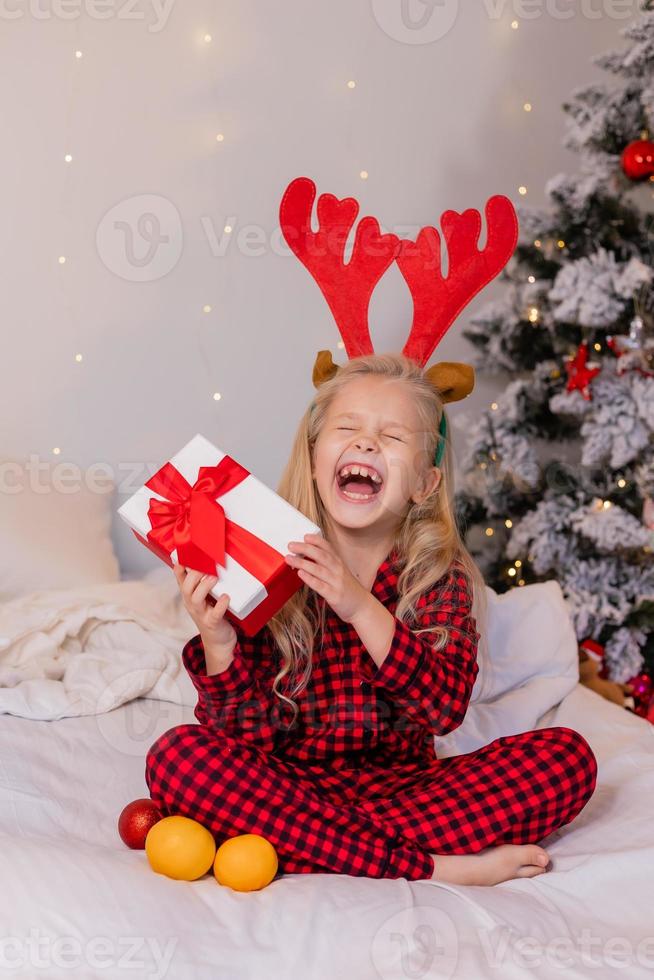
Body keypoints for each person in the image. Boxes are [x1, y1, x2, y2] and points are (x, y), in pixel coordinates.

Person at [145, 353, 598, 884]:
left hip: (406, 792)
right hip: (289, 783)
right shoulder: (266, 561)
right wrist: (218, 642)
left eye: (393, 436)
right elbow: (247, 738)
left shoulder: (437, 574)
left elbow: (444, 709)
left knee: (567, 758)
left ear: (424, 485)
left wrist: (359, 604)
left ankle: (304, 842)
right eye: (348, 428)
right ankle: (434, 869)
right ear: (315, 458)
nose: (366, 443)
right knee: (178, 757)